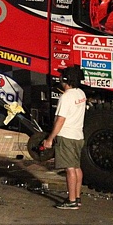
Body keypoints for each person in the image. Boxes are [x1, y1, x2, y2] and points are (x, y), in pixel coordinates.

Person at [42, 65, 87, 210]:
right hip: (78, 136)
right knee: (77, 167)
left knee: (69, 169)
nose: (60, 78)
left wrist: (50, 139)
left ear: (66, 79)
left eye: (62, 76)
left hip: (66, 136)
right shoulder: (81, 94)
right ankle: (77, 197)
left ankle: (71, 201)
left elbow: (60, 120)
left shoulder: (66, 97)